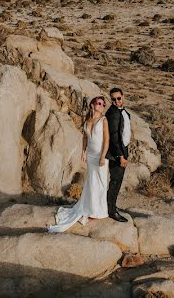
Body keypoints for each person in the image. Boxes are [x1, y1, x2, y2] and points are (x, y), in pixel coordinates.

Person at [48, 96, 110, 233]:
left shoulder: (104, 120)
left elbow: (107, 140)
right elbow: (84, 138)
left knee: (101, 182)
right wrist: (83, 152)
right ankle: (91, 208)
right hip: (90, 155)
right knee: (91, 182)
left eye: (103, 104)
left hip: (101, 156)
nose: (102, 106)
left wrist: (103, 156)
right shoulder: (87, 120)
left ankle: (99, 211)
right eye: (99, 103)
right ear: (93, 104)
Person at [105, 88, 131, 220]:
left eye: (118, 98)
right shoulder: (113, 113)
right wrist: (120, 156)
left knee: (117, 181)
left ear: (123, 96)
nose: (116, 101)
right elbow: (114, 137)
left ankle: (111, 206)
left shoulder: (123, 111)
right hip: (117, 153)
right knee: (115, 181)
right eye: (113, 99)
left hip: (123, 149)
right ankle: (111, 211)